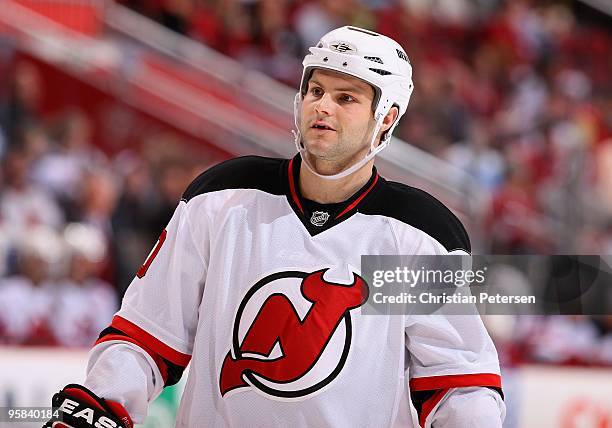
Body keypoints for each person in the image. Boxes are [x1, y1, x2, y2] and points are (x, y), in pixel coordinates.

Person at [46, 26, 505, 428]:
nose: (322, 106)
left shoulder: (422, 234)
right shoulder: (222, 197)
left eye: (346, 98)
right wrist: (99, 408)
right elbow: (146, 334)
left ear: (385, 118)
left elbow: (458, 382)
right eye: (316, 90)